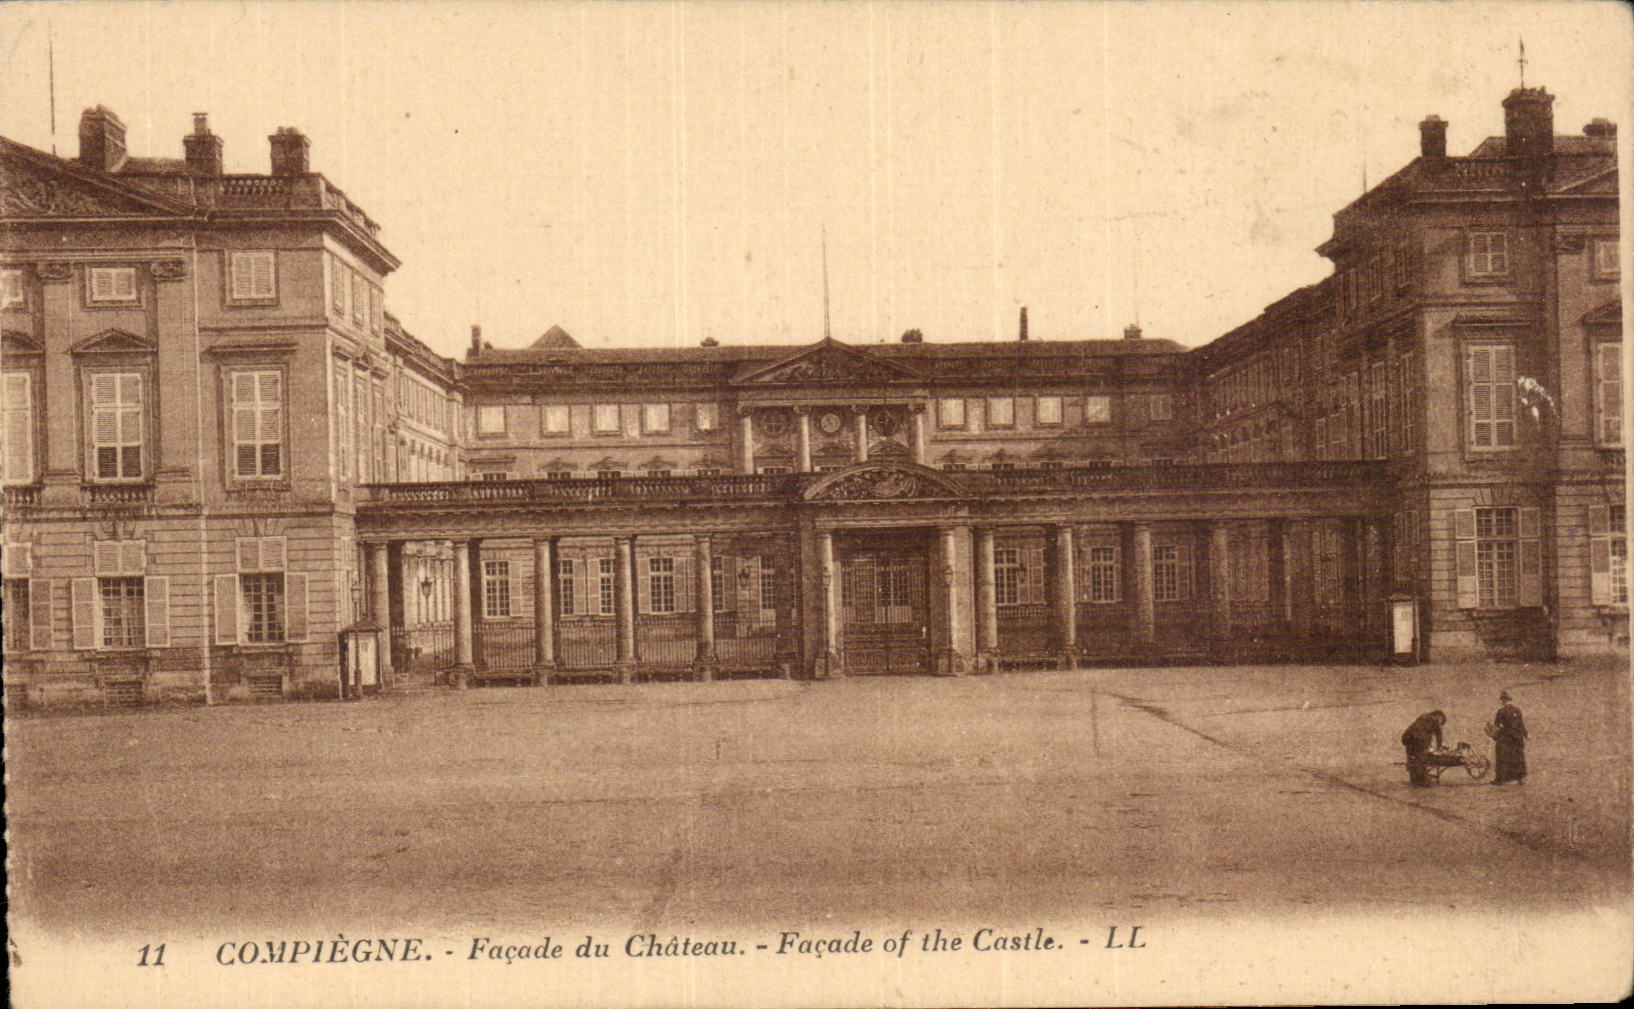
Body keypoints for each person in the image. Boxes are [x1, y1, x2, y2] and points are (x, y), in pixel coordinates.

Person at [1400, 710, 1446, 787]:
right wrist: (1439, 747)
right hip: (1418, 739)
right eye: (1441, 723)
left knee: (1412, 759)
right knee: (1421, 759)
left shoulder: (1423, 718)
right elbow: (1438, 734)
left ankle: (1415, 780)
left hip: (1407, 737)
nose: (1440, 724)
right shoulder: (1434, 719)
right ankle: (1423, 780)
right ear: (1440, 717)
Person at [1490, 691, 1528, 785]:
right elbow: (1521, 724)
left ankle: (1500, 779)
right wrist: (1526, 734)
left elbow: (1497, 725)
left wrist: (1494, 735)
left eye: (1502, 700)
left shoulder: (1501, 711)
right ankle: (1520, 778)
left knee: (1501, 758)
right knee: (1518, 757)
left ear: (1504, 700)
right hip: (1518, 738)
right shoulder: (1518, 710)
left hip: (1506, 739)